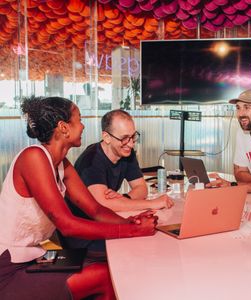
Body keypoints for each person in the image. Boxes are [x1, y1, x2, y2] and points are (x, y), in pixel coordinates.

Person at [0, 96, 158, 299]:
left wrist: (130, 222)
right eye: (79, 119)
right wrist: (132, 231)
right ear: (63, 127)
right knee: (106, 275)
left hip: (35, 256)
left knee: (112, 264)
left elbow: (95, 210)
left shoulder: (61, 163)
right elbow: (67, 224)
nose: (83, 126)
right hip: (9, 268)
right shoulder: (34, 157)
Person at [63, 109, 173, 252]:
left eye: (133, 136)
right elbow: (102, 204)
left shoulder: (126, 151)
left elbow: (141, 188)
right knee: (147, 246)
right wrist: (153, 203)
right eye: (124, 138)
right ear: (107, 137)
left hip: (106, 222)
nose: (131, 144)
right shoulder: (91, 159)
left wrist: (123, 199)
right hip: (85, 236)